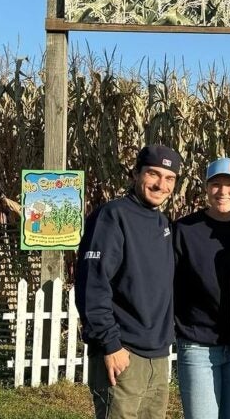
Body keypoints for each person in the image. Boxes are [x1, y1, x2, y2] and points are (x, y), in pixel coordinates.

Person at [75, 144, 182, 419]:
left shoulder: (163, 224)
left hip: (157, 356)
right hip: (123, 352)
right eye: (153, 174)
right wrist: (110, 345)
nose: (161, 185)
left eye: (169, 178)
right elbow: (92, 285)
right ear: (136, 174)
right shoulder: (112, 216)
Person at [173, 157, 230, 419]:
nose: (223, 192)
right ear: (206, 187)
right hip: (197, 344)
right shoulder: (184, 230)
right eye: (216, 184)